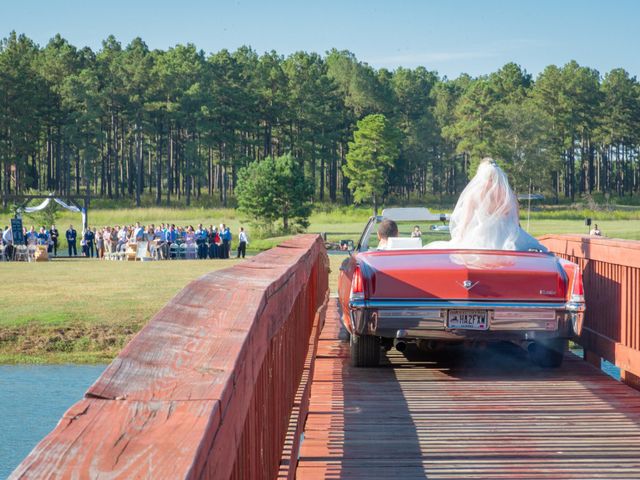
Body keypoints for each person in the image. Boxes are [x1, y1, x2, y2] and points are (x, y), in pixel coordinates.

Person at [425, 158, 547, 252]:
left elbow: (466, 221)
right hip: (508, 236)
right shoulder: (510, 195)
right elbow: (516, 222)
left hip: (482, 236)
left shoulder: (473, 195)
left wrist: (460, 237)